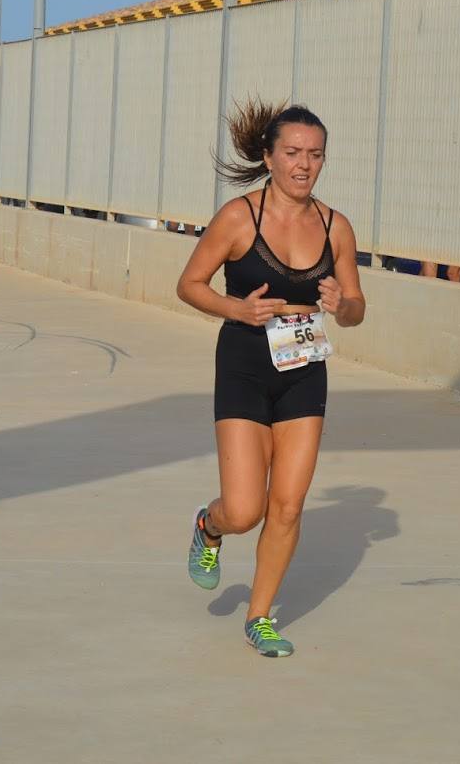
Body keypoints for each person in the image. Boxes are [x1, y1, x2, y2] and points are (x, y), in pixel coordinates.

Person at [175, 100, 366, 657]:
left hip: (304, 372)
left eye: (315, 155)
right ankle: (210, 527)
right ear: (269, 157)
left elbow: (356, 307)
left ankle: (259, 616)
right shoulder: (239, 217)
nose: (304, 165)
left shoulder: (336, 228)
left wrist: (342, 302)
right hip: (243, 367)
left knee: (287, 504)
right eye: (292, 153)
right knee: (246, 509)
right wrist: (239, 310)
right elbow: (189, 283)